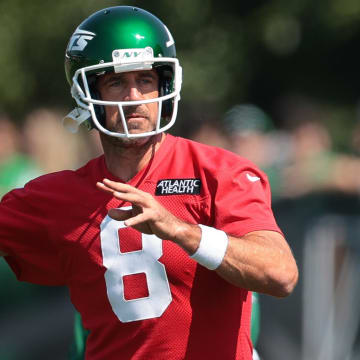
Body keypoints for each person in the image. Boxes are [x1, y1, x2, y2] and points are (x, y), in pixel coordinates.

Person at [0, 6, 298, 360]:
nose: (134, 98)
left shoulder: (219, 172)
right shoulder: (57, 197)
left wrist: (183, 231)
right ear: (86, 92)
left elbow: (280, 273)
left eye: (145, 80)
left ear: (166, 84)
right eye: (116, 82)